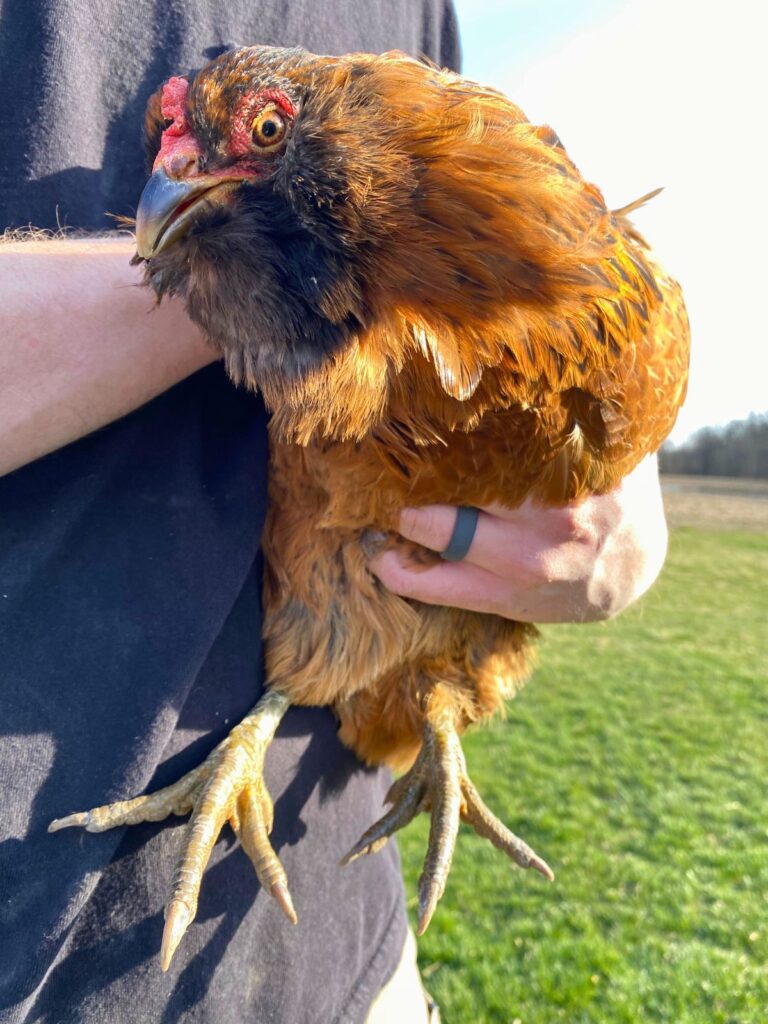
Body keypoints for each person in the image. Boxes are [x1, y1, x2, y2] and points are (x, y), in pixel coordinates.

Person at [0, 2, 669, 1021]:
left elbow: (515, 223)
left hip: (352, 953)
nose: (174, 169)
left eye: (261, 129)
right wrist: (286, 288)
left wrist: (628, 503)